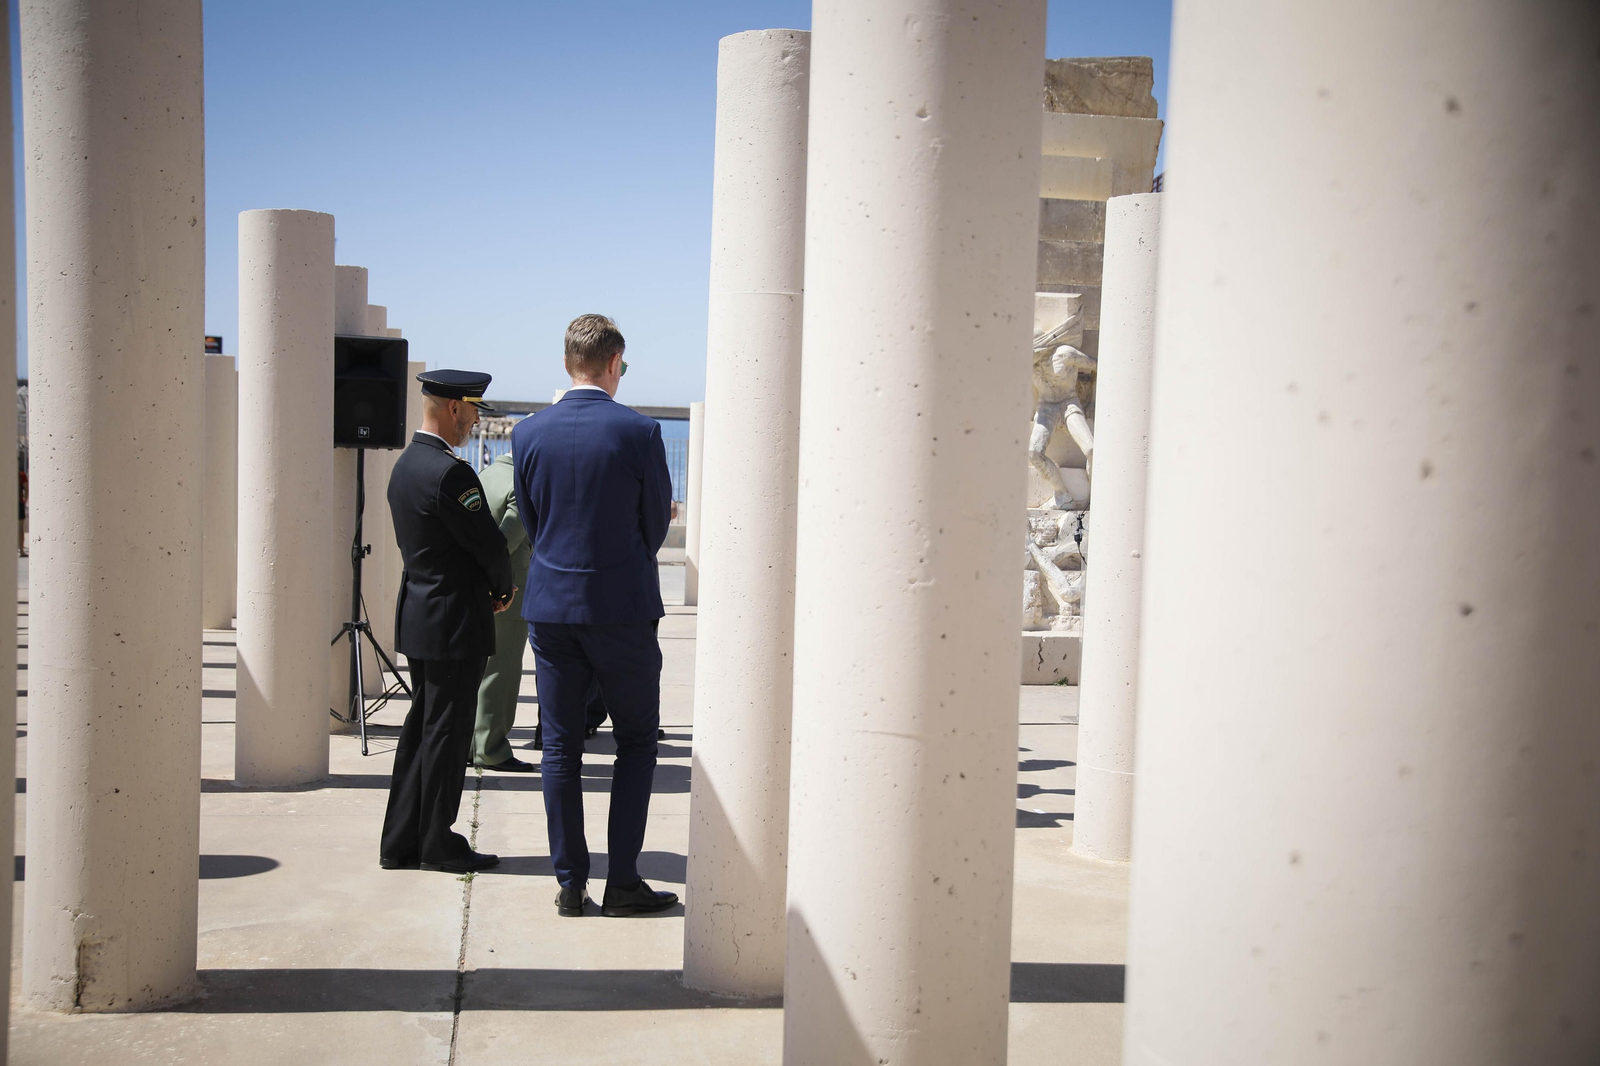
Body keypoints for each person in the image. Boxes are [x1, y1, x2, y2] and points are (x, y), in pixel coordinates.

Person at [511, 313, 676, 917]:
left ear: (566, 364)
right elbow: (655, 523)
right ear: (614, 364)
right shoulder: (642, 432)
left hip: (551, 608)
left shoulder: (527, 434)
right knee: (635, 742)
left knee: (560, 747)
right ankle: (623, 881)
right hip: (623, 609)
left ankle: (569, 881)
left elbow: (533, 524)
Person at [380, 369, 515, 874]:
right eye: (474, 410)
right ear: (454, 407)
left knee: (422, 729)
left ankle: (400, 840)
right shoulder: (450, 473)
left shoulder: (406, 466)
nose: (476, 420)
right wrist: (501, 590)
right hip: (455, 620)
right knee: (447, 733)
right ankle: (436, 840)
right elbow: (490, 544)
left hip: (421, 614)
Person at [468, 451, 538, 772]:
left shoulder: (485, 475)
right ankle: (492, 749)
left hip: (479, 585)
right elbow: (506, 539)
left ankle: (472, 744)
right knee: (503, 671)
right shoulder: (520, 484)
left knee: (480, 671)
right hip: (510, 589)